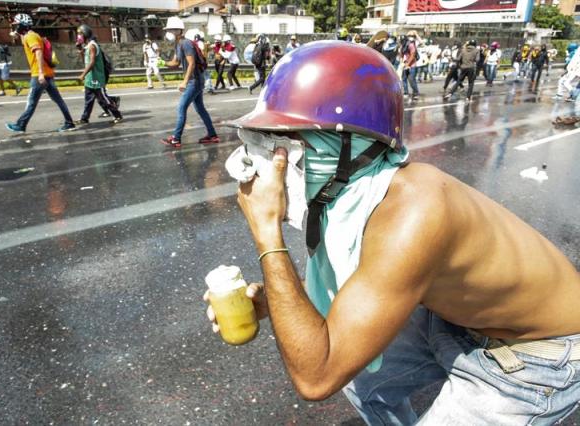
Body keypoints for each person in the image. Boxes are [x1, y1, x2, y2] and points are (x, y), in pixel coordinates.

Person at [206, 40, 580, 425]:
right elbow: (358, 278)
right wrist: (278, 300)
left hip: (537, 353)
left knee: (340, 366)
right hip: (461, 320)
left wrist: (268, 234)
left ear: (352, 146)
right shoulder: (358, 191)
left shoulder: (413, 212)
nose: (275, 167)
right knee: (364, 381)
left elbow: (316, 377)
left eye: (289, 148)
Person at [5, 14, 75, 133]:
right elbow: (25, 41)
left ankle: (21, 125)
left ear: (23, 25)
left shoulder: (31, 37)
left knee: (31, 102)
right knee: (58, 100)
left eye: (17, 25)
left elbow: (38, 53)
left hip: (39, 74)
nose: (15, 27)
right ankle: (69, 123)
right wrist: (17, 35)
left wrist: (41, 73)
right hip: (47, 74)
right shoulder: (31, 35)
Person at [160, 16, 219, 148]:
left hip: (194, 81)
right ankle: (212, 135)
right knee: (201, 109)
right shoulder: (178, 44)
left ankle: (176, 138)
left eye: (170, 30)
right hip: (195, 80)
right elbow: (175, 62)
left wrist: (184, 82)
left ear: (177, 31)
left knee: (181, 108)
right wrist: (163, 62)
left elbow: (191, 63)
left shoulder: (185, 43)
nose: (168, 33)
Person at [74, 24, 122, 126]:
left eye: (80, 34)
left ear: (85, 34)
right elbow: (86, 62)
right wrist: (80, 50)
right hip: (89, 79)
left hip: (96, 79)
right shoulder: (87, 46)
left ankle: (117, 115)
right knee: (88, 101)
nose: (78, 36)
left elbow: (92, 63)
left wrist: (82, 75)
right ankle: (84, 118)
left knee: (103, 99)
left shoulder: (92, 46)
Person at [401, 31, 419, 100]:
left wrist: (408, 64)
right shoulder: (402, 46)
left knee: (411, 80)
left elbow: (413, 55)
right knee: (404, 79)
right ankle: (406, 92)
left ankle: (416, 93)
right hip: (405, 64)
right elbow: (401, 55)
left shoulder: (411, 45)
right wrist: (402, 62)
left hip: (412, 65)